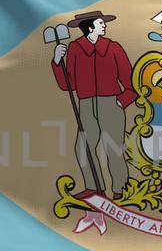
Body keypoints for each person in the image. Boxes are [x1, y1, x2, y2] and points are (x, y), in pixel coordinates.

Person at [50, 11, 137, 194]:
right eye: (100, 23)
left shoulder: (113, 48)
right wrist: (57, 61)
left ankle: (121, 189)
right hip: (86, 105)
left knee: (113, 148)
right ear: (89, 27)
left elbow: (132, 82)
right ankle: (95, 189)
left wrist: (121, 102)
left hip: (111, 104)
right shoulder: (75, 49)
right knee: (83, 148)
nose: (104, 25)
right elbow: (69, 84)